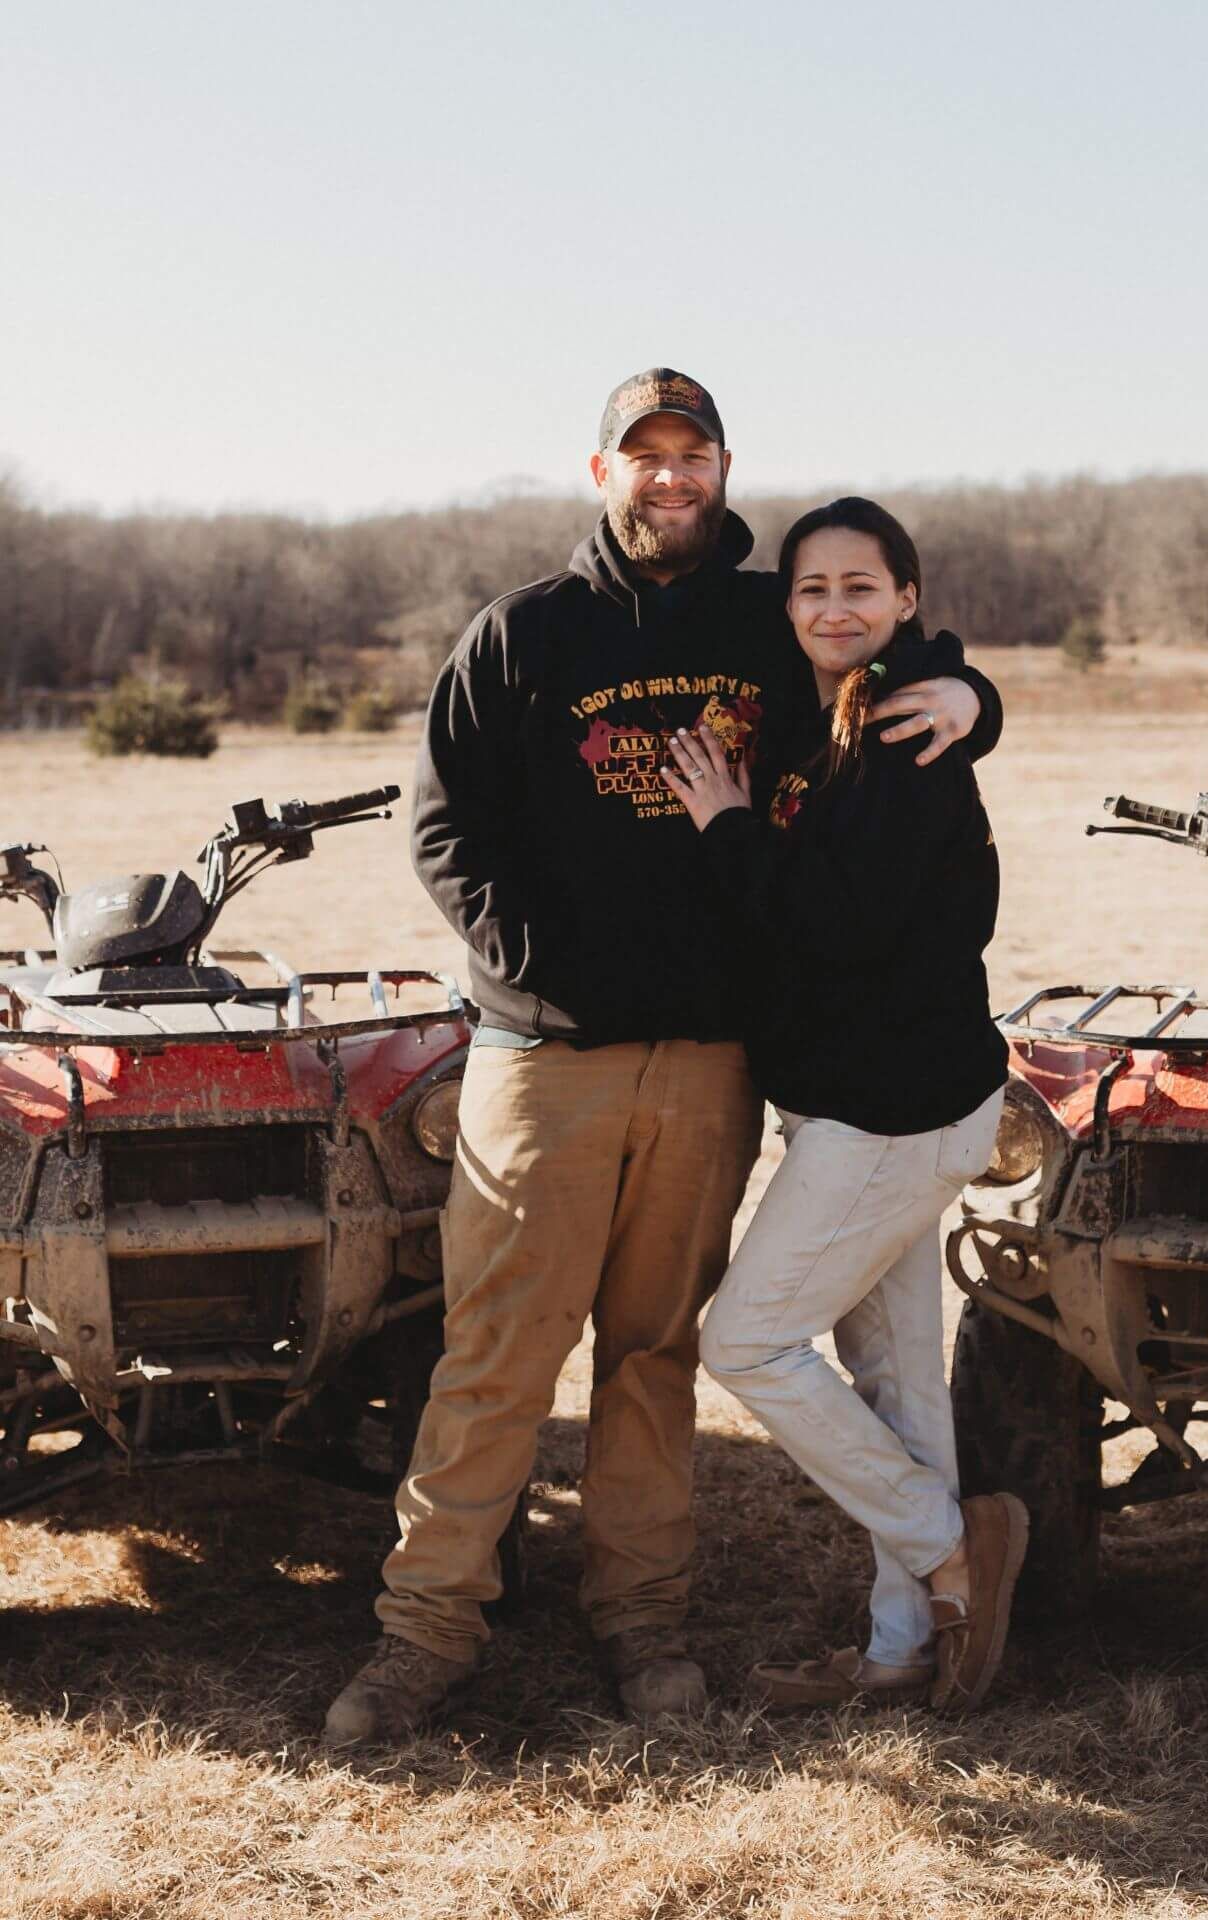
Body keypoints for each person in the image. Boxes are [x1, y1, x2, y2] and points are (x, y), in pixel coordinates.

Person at [323, 371, 1004, 1746]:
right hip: (546, 1055)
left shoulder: (768, 618)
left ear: (724, 468)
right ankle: (425, 1630)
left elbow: (889, 648)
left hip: (708, 1063)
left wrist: (972, 695)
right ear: (601, 472)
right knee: (498, 1354)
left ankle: (643, 1623)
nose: (671, 478)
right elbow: (444, 831)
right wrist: (539, 973)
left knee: (655, 1354)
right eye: (646, 457)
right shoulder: (521, 633)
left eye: (694, 456)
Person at [661, 496, 1025, 1713]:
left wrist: (720, 827)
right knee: (897, 1378)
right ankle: (902, 1645)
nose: (833, 608)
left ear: (907, 599)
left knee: (747, 1341)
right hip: (863, 1103)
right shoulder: (852, 712)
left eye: (861, 587)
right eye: (812, 588)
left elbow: (835, 923)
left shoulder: (908, 725)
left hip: (892, 1107)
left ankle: (952, 1543)